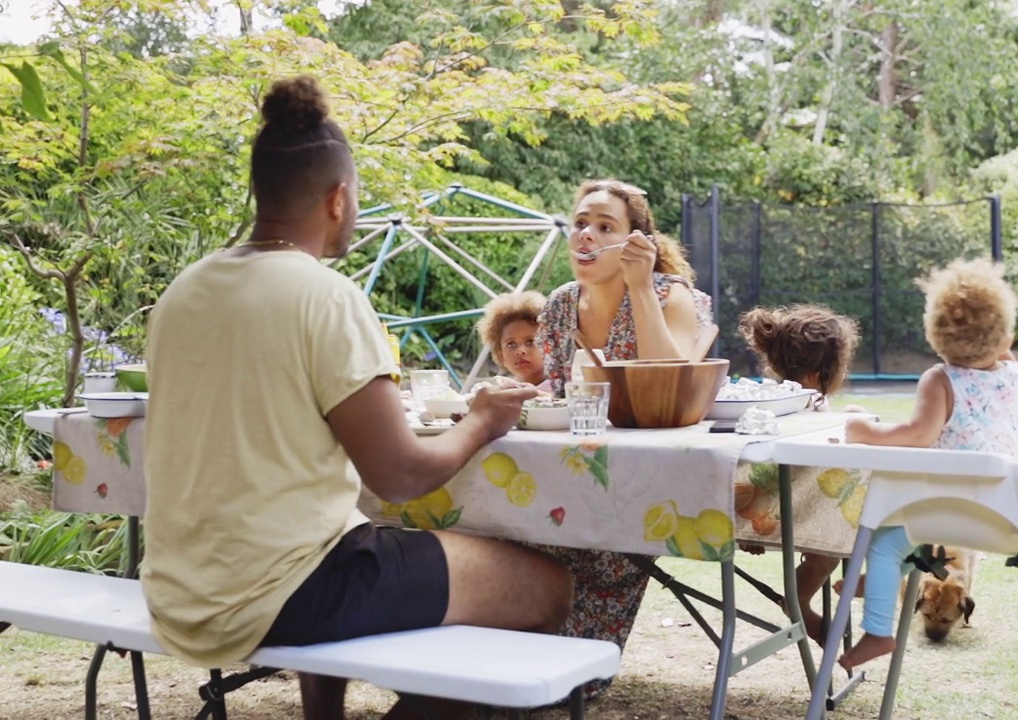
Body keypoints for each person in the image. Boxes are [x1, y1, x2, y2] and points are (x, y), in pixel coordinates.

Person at [141, 76, 572, 720]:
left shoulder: (185, 290)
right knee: (548, 587)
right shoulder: (325, 294)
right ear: (338, 198)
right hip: (285, 590)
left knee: (380, 544)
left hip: (180, 588)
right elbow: (399, 475)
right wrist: (482, 421)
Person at [534, 178, 713, 687]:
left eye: (604, 226)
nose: (586, 235)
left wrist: (640, 287)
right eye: (581, 224)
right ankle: (504, 657)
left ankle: (572, 670)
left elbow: (672, 387)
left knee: (596, 544)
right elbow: (551, 395)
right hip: (567, 471)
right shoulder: (561, 305)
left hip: (644, 478)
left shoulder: (670, 295)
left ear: (636, 241)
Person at [838, 257, 1018, 671]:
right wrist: (1001, 344)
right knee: (902, 531)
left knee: (884, 539)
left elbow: (916, 436)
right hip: (1011, 516)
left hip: (951, 518)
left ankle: (877, 631)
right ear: (1006, 336)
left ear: (935, 336)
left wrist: (864, 431)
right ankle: (877, 581)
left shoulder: (940, 380)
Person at [737, 303, 862, 642]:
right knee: (832, 544)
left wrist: (753, 517)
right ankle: (798, 601)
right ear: (828, 370)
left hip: (759, 512)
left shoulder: (765, 402)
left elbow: (753, 464)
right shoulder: (816, 409)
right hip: (803, 518)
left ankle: (799, 601)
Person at [476, 290, 552, 391]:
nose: (520, 351)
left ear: (549, 347)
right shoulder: (505, 391)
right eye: (511, 344)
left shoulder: (562, 389)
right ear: (501, 356)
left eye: (530, 342)